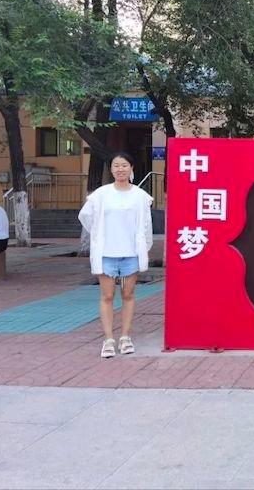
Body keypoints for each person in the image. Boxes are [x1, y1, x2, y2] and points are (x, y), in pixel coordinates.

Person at [79, 152, 154, 357]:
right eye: (116, 165)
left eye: (124, 165)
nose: (120, 169)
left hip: (130, 253)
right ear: (111, 169)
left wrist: (144, 247)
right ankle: (108, 340)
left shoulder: (140, 196)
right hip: (106, 253)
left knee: (128, 295)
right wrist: (99, 235)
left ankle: (125, 337)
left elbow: (146, 225)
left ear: (131, 168)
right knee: (107, 295)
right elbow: (85, 216)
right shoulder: (101, 195)